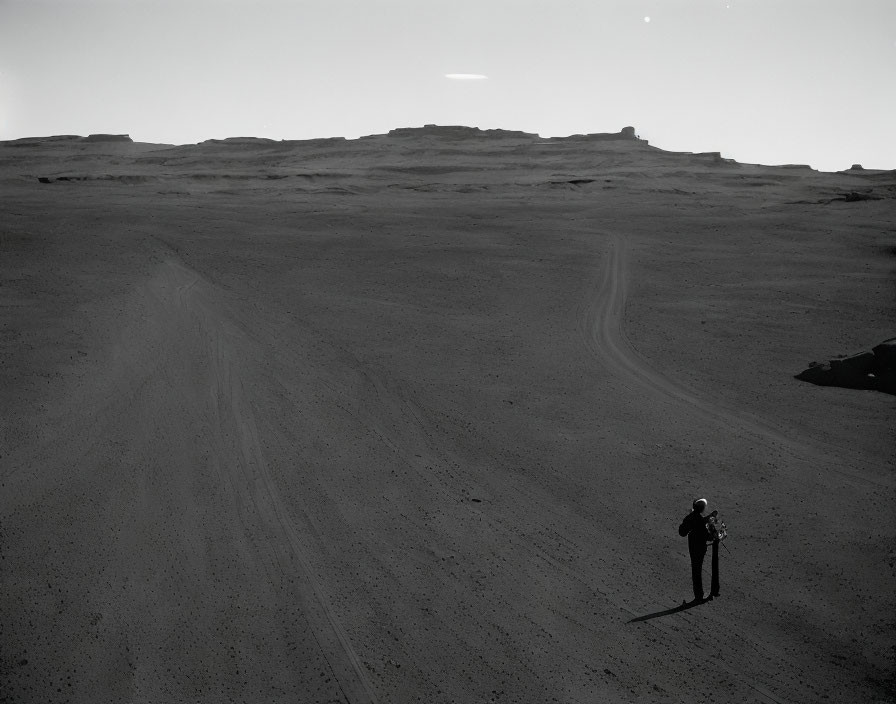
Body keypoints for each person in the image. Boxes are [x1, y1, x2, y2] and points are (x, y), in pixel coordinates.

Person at [678, 498, 720, 603]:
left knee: (696, 570)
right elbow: (710, 537)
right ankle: (711, 591)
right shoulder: (704, 521)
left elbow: (682, 532)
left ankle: (698, 595)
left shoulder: (691, 518)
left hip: (693, 547)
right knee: (701, 567)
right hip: (701, 548)